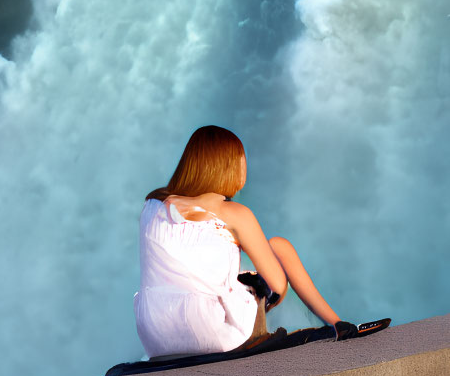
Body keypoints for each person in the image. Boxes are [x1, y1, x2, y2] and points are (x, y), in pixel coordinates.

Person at [133, 125, 356, 359]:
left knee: (229, 263)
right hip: (211, 331)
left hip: (155, 332)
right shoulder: (234, 213)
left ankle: (332, 322)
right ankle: (336, 323)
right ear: (230, 166)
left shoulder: (152, 205)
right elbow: (277, 287)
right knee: (280, 247)